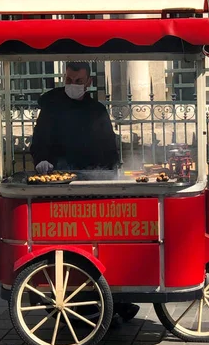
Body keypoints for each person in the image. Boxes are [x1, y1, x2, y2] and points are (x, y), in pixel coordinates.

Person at [30, 62, 139, 326]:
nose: (73, 84)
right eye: (69, 78)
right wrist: (42, 161)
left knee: (105, 243)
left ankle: (116, 299)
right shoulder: (51, 105)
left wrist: (112, 172)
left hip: (93, 180)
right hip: (59, 183)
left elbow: (108, 146)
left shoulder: (96, 110)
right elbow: (40, 139)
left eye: (78, 80)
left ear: (88, 83)